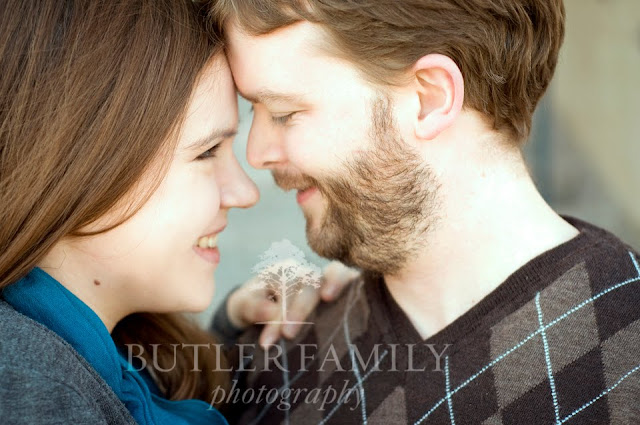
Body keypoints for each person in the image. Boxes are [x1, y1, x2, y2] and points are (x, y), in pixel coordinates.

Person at [207, 1, 640, 424]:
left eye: (284, 113)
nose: (257, 153)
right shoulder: (276, 360)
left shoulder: (627, 344)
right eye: (253, 111)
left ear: (430, 98)